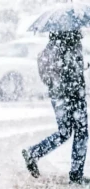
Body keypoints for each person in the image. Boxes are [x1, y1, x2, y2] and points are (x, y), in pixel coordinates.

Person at [22, 30, 89, 185]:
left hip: (59, 96)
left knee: (65, 132)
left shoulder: (51, 47)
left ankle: (34, 153)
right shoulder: (70, 45)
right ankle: (76, 175)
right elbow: (68, 71)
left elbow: (49, 76)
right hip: (73, 94)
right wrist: (74, 72)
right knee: (81, 133)